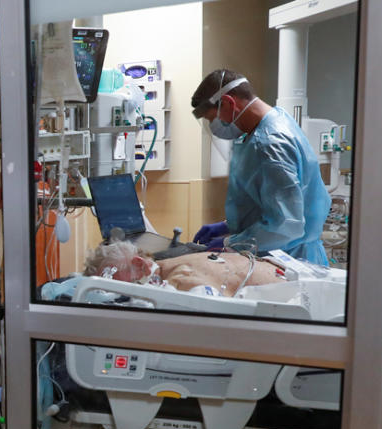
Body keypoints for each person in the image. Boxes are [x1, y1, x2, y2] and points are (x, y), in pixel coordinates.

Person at [190, 69, 332, 265]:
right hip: (280, 256)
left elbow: (286, 225)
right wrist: (229, 226)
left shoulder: (271, 143)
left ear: (230, 103)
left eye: (212, 118)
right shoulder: (273, 123)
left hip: (290, 261)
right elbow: (269, 204)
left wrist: (228, 243)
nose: (215, 126)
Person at [84, 240, 287, 296]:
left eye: (118, 286)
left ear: (140, 265)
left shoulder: (182, 279)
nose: (119, 295)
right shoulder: (182, 263)